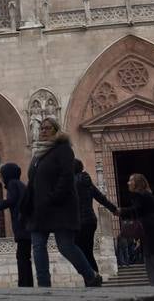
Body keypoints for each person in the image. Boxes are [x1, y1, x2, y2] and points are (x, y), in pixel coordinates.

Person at [21, 116, 101, 287]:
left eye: (47, 128)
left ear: (56, 131)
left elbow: (66, 177)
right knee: (38, 246)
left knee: (66, 246)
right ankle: (44, 284)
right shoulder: (38, 155)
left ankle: (90, 276)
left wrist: (53, 198)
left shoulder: (63, 150)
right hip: (39, 208)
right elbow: (33, 181)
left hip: (59, 207)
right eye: (41, 128)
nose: (43, 131)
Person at [0, 161, 33, 286]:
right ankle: (27, 283)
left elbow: (10, 201)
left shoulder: (12, 184)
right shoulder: (20, 184)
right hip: (27, 225)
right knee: (24, 256)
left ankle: (24, 284)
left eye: (2, 174)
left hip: (22, 226)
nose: (1, 178)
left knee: (22, 256)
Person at [73, 158, 118, 278]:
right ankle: (94, 276)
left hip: (79, 222)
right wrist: (114, 209)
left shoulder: (72, 182)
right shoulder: (87, 182)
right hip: (91, 221)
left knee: (77, 250)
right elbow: (100, 197)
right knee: (88, 252)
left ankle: (92, 277)